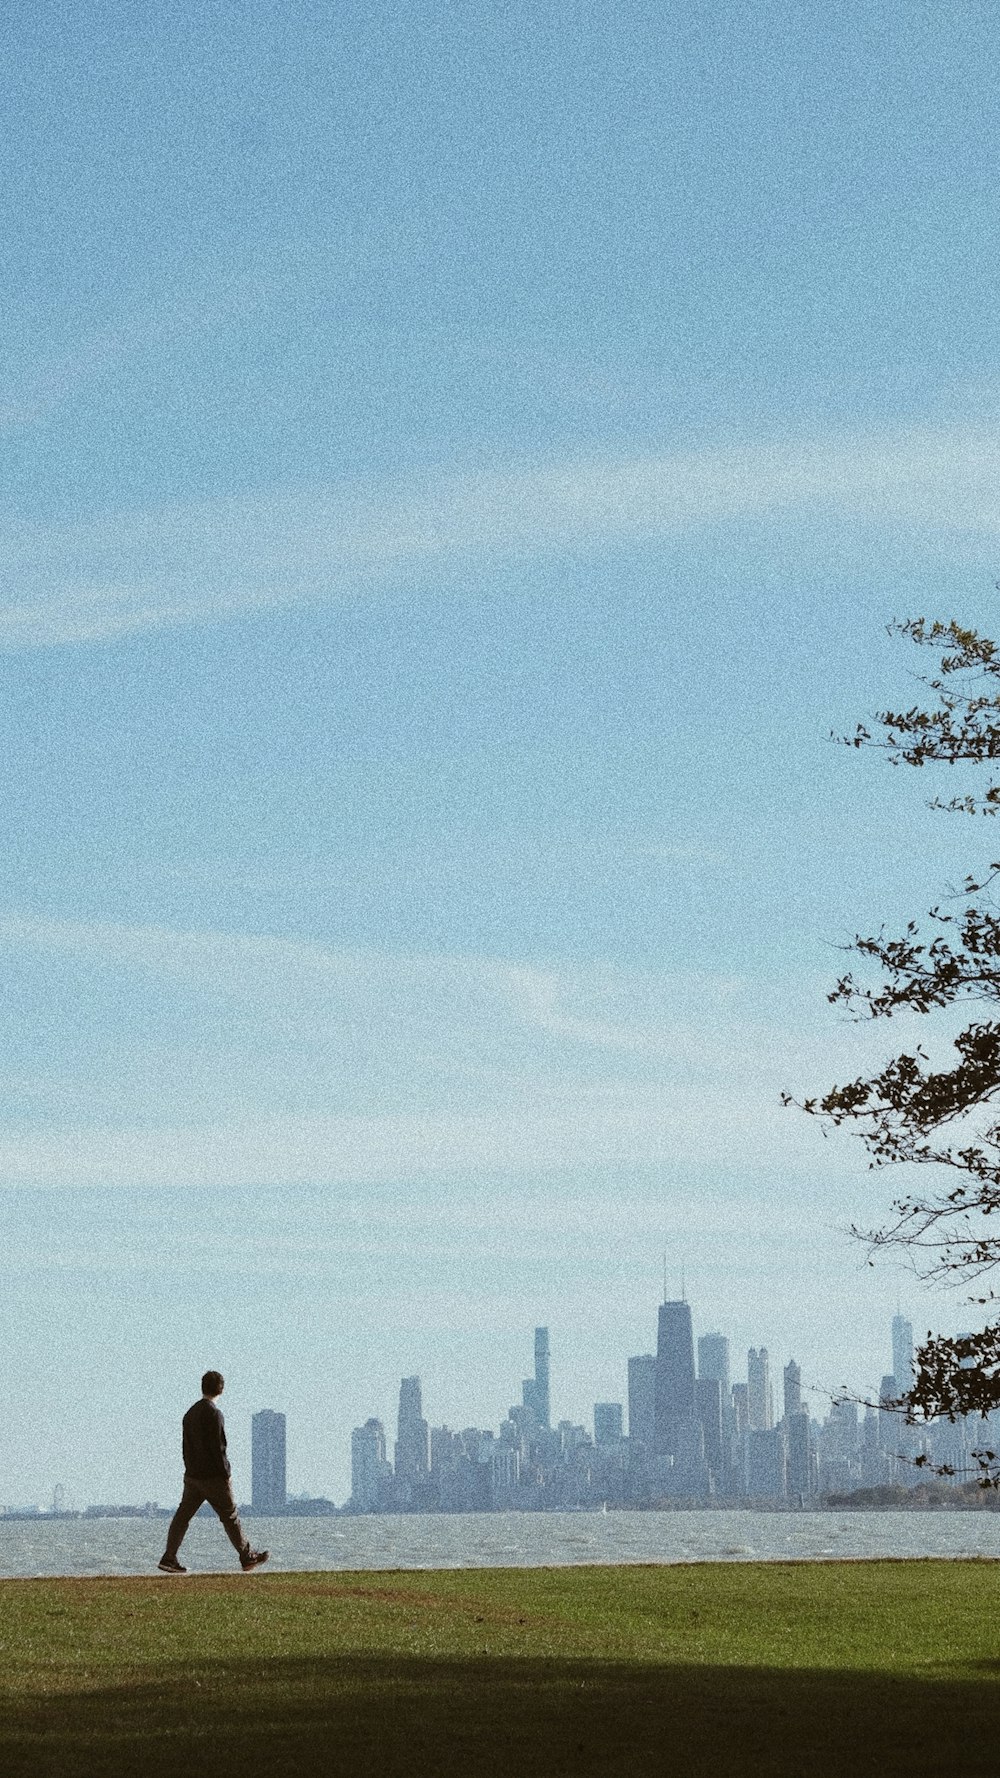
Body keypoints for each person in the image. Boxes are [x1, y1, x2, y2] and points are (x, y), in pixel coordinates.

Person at [158, 1370, 269, 1574]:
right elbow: (218, 1447)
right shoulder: (214, 1414)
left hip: (192, 1476)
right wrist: (225, 1472)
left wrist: (189, 1469)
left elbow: (185, 1447)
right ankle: (246, 1556)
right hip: (214, 1477)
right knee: (230, 1516)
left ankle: (169, 1557)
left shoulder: (190, 1414)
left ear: (202, 1387)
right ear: (221, 1389)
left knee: (182, 1516)